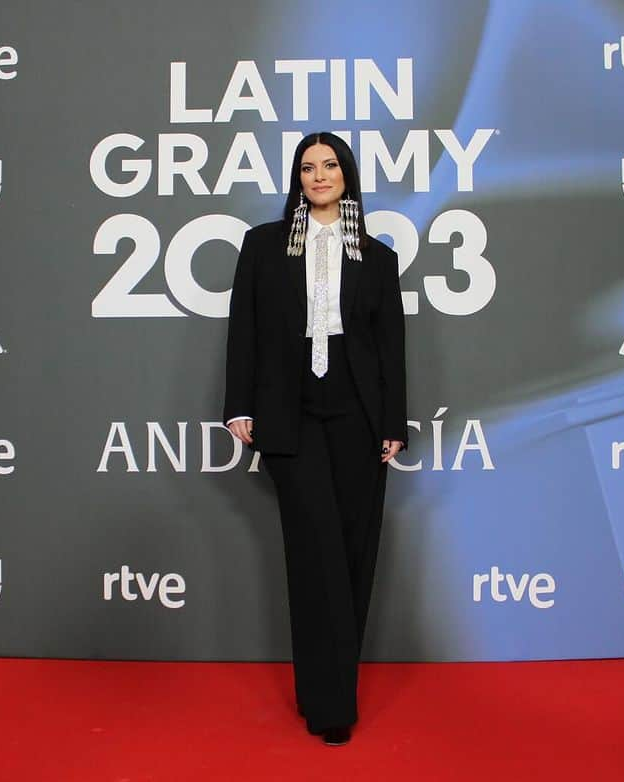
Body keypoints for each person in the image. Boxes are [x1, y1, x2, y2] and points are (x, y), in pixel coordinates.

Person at [223, 132, 408, 746]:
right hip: (289, 416)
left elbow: (389, 351)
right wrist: (238, 408)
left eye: (330, 165)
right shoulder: (262, 246)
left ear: (347, 175)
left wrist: (392, 424)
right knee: (317, 554)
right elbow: (243, 332)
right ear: (297, 178)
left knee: (354, 555)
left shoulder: (378, 258)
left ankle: (326, 688)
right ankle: (331, 706)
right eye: (308, 167)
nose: (320, 174)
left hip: (357, 418)